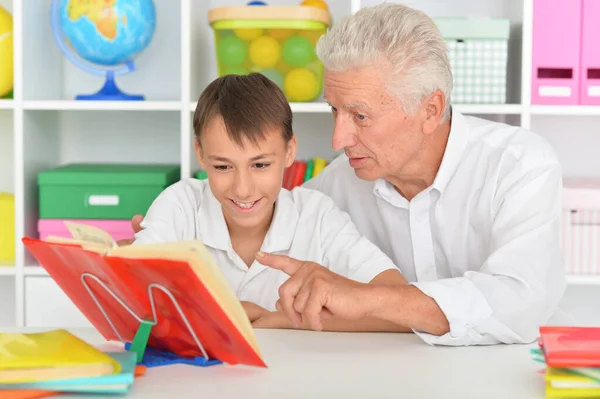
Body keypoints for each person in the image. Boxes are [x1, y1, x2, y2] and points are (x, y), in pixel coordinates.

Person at [129, 3, 567, 346]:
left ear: (429, 110)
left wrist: (366, 298)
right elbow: (268, 244)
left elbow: (521, 304)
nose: (338, 138)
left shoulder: (519, 165)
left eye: (360, 115)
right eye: (334, 111)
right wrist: (160, 248)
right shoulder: (337, 186)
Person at [130, 72, 410, 332]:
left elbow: (403, 309)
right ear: (200, 154)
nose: (242, 189)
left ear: (289, 151)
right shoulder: (181, 205)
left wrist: (285, 321)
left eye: (260, 164)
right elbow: (129, 295)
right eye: (223, 167)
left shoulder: (318, 217)